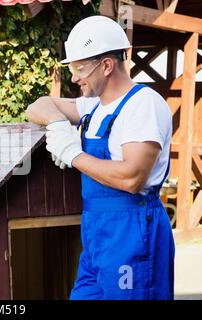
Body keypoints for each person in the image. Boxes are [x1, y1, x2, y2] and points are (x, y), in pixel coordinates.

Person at [26, 15, 174, 300]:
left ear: (106, 65)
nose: (74, 77)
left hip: (133, 232)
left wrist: (72, 153)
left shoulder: (143, 105)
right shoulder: (93, 107)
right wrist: (58, 125)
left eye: (80, 68)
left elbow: (132, 177)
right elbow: (38, 105)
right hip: (96, 236)